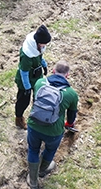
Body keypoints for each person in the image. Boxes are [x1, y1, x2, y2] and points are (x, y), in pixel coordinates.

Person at [26, 60, 78, 189]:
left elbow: (35, 102)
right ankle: (43, 170)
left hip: (34, 124)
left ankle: (33, 181)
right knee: (50, 150)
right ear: (67, 75)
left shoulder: (39, 83)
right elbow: (71, 116)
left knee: (33, 149)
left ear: (53, 71)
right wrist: (69, 124)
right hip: (54, 131)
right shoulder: (71, 94)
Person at [14, 25, 51, 130]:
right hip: (26, 79)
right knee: (23, 101)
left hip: (37, 76)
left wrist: (44, 65)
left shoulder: (38, 47)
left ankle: (36, 117)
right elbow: (24, 72)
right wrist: (27, 87)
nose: (45, 46)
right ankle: (19, 118)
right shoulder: (27, 54)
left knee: (38, 98)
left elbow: (40, 57)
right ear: (38, 42)